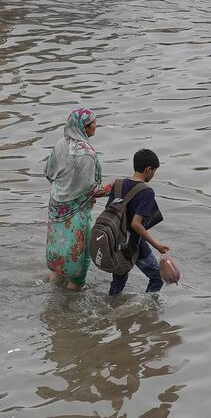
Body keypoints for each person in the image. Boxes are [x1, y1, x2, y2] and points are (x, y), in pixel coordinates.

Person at [44, 108, 111, 290]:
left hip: (56, 207)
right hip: (76, 212)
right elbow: (91, 191)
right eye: (93, 124)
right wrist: (115, 187)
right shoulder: (86, 154)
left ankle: (52, 287)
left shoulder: (60, 144)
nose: (96, 127)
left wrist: (65, 189)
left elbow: (49, 174)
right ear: (84, 127)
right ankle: (71, 303)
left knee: (60, 251)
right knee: (81, 258)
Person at [107, 149, 170, 296]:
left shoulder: (117, 184)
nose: (153, 175)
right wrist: (157, 245)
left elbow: (110, 212)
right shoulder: (146, 192)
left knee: (118, 282)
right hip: (134, 245)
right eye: (154, 171)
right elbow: (136, 224)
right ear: (148, 169)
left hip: (116, 242)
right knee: (157, 277)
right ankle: (147, 310)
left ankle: (112, 310)